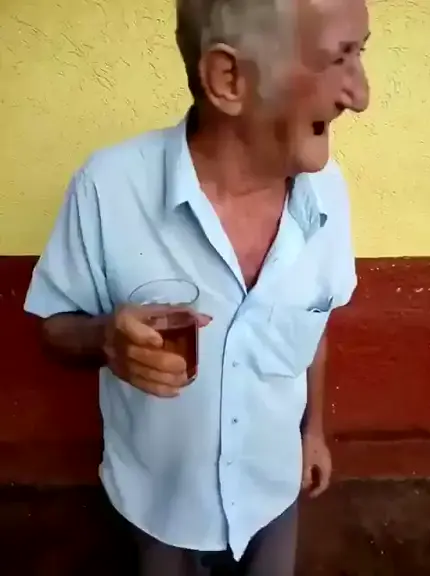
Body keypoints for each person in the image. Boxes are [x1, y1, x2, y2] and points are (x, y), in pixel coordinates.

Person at [25, 0, 370, 573]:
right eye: (339, 58)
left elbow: (316, 322)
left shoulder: (327, 193)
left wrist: (313, 433)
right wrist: (106, 339)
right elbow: (52, 327)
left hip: (272, 497)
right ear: (228, 78)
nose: (360, 96)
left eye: (361, 53)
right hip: (157, 509)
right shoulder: (108, 187)